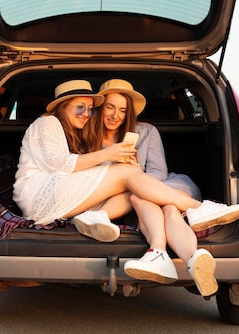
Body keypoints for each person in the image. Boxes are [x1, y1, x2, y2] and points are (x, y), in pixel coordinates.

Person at [12, 79, 239, 246]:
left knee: (132, 186)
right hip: (40, 196)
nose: (85, 113)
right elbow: (62, 166)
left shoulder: (72, 132)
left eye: (89, 109)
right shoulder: (48, 123)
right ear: (63, 107)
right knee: (127, 177)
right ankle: (198, 208)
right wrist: (110, 156)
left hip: (62, 198)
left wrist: (128, 172)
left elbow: (79, 173)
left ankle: (159, 249)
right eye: (80, 107)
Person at [84, 78, 221, 296]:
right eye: (110, 107)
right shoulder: (87, 137)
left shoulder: (147, 131)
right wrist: (123, 176)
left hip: (164, 186)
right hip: (125, 199)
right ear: (100, 108)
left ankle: (164, 253)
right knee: (159, 206)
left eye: (122, 110)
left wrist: (135, 173)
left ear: (129, 113)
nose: (115, 115)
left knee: (151, 201)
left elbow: (159, 173)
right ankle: (193, 257)